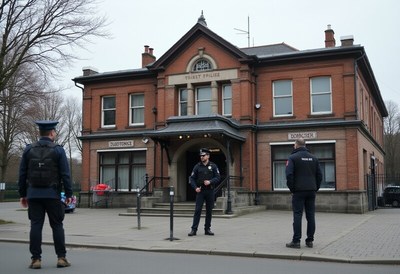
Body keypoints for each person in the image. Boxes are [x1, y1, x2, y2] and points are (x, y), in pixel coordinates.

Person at [18, 120, 73, 269]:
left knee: (35, 225)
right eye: (55, 132)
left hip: (33, 194)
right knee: (57, 225)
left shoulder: (28, 150)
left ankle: (36, 259)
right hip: (52, 194)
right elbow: (65, 174)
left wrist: (23, 194)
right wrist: (69, 194)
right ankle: (61, 258)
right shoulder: (58, 150)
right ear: (51, 133)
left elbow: (22, 174)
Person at [285, 138, 322, 249]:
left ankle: (296, 241)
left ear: (296, 145)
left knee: (297, 215)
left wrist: (292, 189)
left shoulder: (292, 158)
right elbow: (319, 175)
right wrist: (315, 188)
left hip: (298, 191)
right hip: (311, 191)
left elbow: (289, 175)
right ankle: (309, 241)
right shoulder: (314, 158)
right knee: (311, 216)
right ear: (305, 145)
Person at [188, 148, 221, 236]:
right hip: (200, 191)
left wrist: (210, 181)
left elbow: (218, 177)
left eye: (203, 156)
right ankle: (194, 229)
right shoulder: (197, 166)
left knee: (209, 211)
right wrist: (195, 188)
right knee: (197, 210)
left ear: (208, 156)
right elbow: (192, 178)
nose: (202, 157)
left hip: (210, 191)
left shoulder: (213, 166)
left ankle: (207, 229)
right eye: (201, 156)